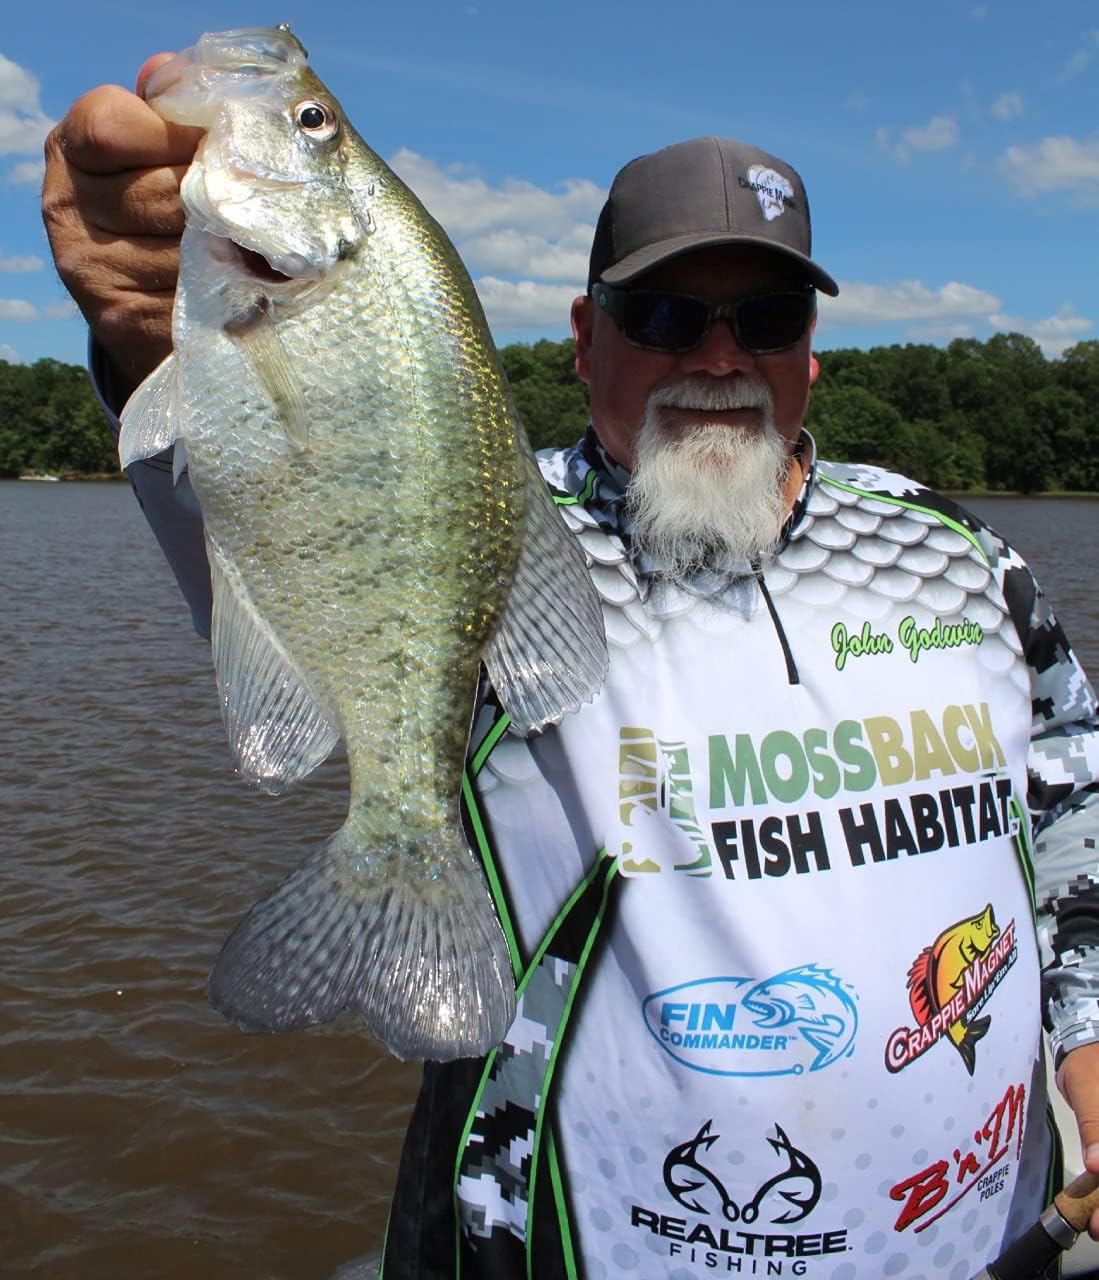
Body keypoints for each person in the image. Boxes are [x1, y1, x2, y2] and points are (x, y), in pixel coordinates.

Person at [43, 57, 1099, 1280]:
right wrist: (138, 333)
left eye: (764, 318)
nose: (718, 354)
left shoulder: (958, 557)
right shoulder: (496, 517)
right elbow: (252, 491)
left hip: (990, 1244)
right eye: (663, 315)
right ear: (587, 337)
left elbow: (1073, 808)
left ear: (812, 351)